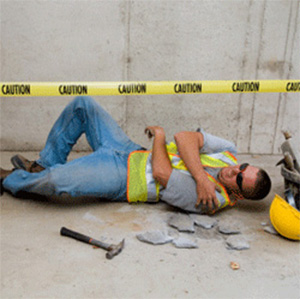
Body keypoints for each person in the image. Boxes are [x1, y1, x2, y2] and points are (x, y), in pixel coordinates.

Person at [0, 96, 271, 214]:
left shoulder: (211, 200)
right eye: (243, 167)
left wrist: (161, 139)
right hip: (131, 151)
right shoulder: (230, 154)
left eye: (238, 180)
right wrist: (200, 175)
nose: (234, 171)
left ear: (237, 195)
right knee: (84, 105)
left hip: (124, 178)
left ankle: (11, 181)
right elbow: (186, 137)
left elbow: (163, 173)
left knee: (57, 183)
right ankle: (43, 164)